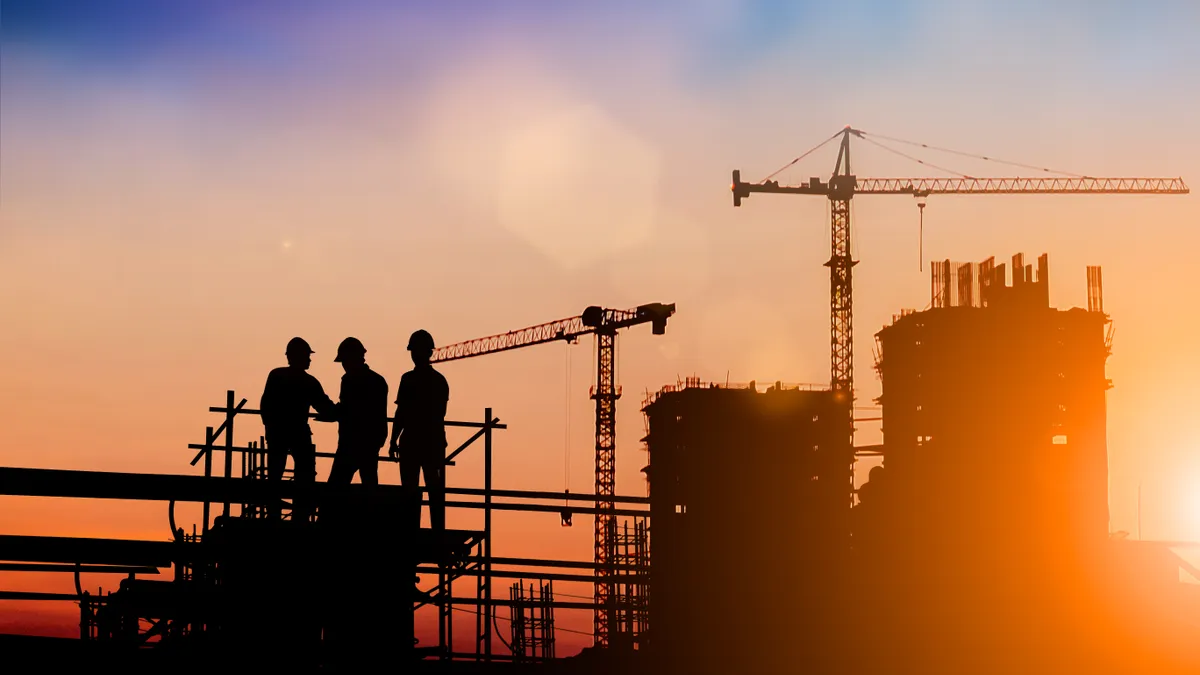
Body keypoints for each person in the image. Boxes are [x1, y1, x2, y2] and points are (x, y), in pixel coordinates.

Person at [259, 337, 337, 521]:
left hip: (278, 432)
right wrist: (341, 411)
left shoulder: (276, 375)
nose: (310, 360)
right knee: (305, 474)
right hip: (297, 433)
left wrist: (270, 427)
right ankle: (301, 516)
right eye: (307, 356)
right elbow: (325, 407)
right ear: (299, 357)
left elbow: (265, 404)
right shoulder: (308, 381)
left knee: (275, 475)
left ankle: (273, 515)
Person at [389, 329, 449, 537]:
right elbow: (439, 413)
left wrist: (392, 440)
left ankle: (409, 531)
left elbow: (401, 413)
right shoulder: (439, 381)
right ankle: (436, 532)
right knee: (434, 490)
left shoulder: (408, 380)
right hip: (431, 442)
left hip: (414, 442)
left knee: (410, 491)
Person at [327, 337, 389, 486]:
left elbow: (348, 409)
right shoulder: (378, 380)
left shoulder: (349, 380)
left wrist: (332, 413)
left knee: (335, 488)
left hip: (351, 443)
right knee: (369, 485)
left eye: (344, 361)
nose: (344, 365)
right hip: (371, 442)